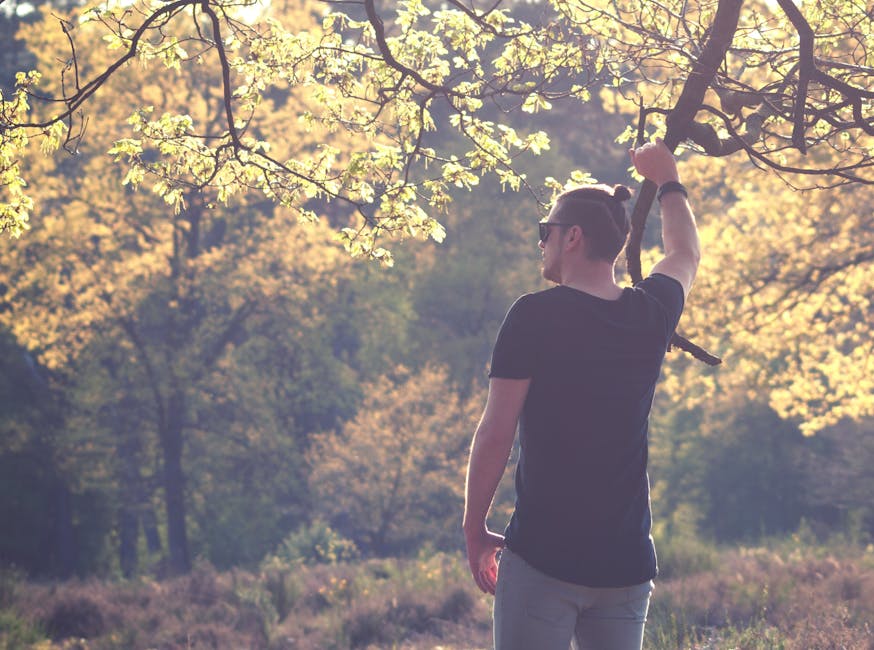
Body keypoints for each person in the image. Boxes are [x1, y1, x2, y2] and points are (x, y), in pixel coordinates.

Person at [462, 138, 700, 650]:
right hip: (626, 566)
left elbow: (497, 430)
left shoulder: (533, 316)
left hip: (544, 560)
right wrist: (668, 180)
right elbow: (684, 252)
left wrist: (474, 527)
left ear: (571, 237)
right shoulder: (650, 314)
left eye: (543, 232)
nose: (539, 243)